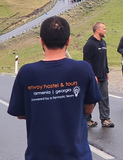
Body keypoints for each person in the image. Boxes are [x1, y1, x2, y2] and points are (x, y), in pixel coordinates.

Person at [7, 16, 102, 159]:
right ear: (68, 40)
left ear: (41, 41)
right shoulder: (83, 69)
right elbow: (88, 109)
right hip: (77, 155)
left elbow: (20, 113)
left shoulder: (26, 72)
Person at [83, 22, 114, 128]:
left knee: (104, 97)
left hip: (103, 75)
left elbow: (105, 59)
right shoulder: (90, 44)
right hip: (93, 77)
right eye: (104, 29)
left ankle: (105, 119)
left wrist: (107, 70)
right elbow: (86, 62)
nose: (105, 31)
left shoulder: (103, 43)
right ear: (98, 30)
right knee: (92, 98)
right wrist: (92, 75)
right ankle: (87, 119)